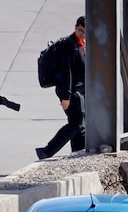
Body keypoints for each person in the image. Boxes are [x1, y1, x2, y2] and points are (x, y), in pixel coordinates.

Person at [36, 16, 86, 159]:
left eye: (85, 32)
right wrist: (66, 97)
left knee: (81, 123)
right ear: (75, 27)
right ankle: (46, 151)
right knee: (76, 123)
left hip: (80, 89)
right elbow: (66, 72)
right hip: (71, 91)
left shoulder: (82, 43)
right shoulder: (69, 45)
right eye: (80, 30)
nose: (82, 34)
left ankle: (78, 152)